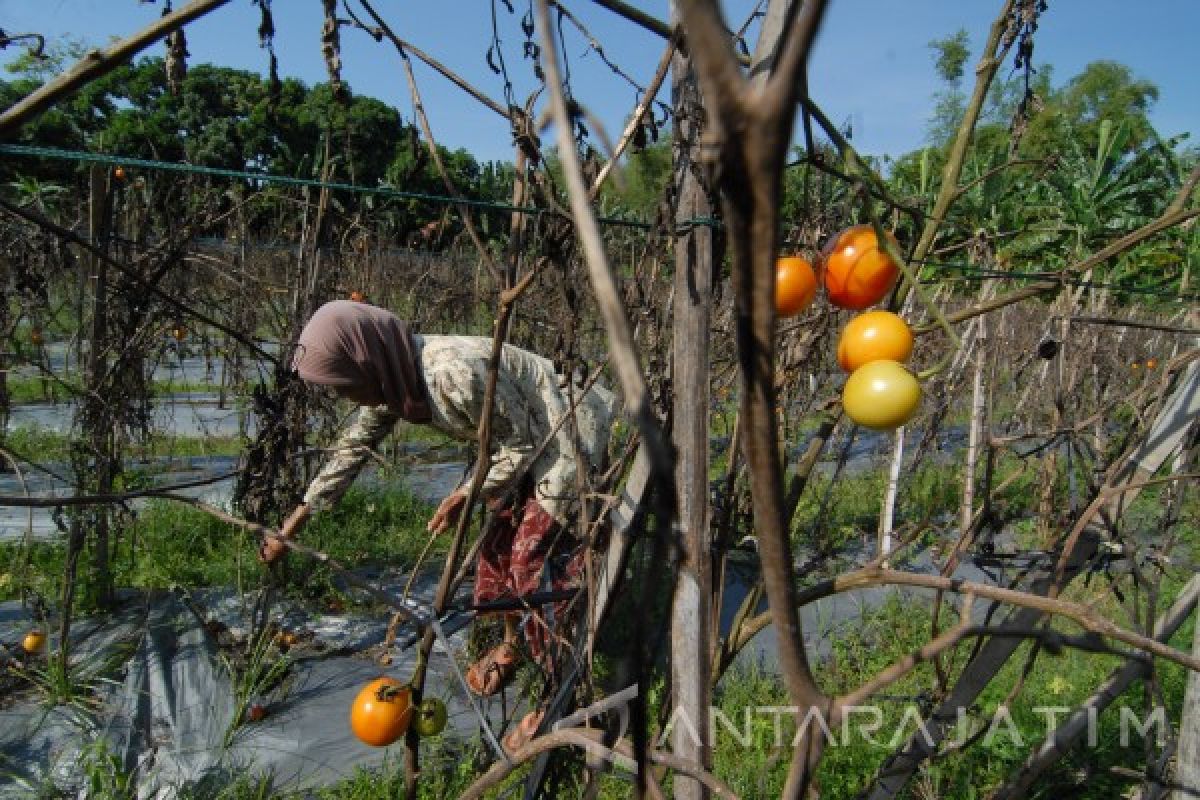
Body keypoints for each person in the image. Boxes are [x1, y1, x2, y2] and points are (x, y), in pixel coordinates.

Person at [260, 300, 615, 708]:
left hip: (569, 432)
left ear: (366, 361)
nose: (344, 396)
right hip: (526, 436)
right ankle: (512, 646)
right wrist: (293, 524)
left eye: (344, 384)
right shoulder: (392, 381)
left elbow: (522, 445)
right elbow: (351, 449)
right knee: (496, 552)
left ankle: (561, 690)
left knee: (531, 563)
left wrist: (464, 495)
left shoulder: (450, 374)